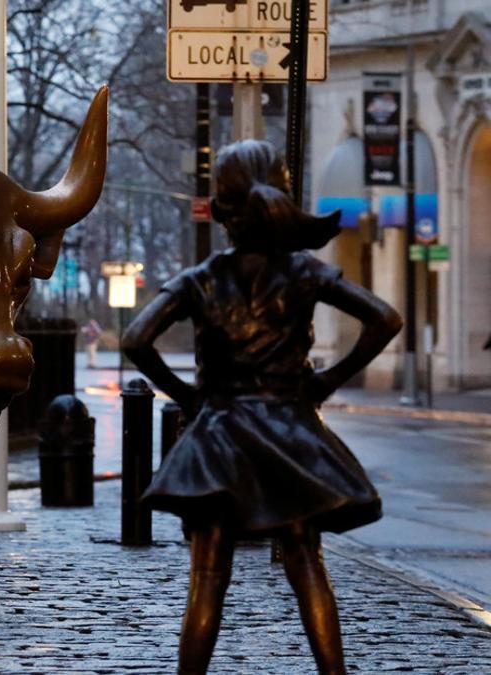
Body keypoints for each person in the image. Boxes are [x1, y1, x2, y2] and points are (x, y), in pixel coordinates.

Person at [122, 140, 403, 675]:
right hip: (289, 432)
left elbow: (137, 339)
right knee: (306, 562)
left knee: (207, 577)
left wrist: (187, 396)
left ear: (220, 208)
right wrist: (329, 380)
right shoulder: (303, 272)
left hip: (219, 437)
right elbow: (385, 318)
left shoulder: (202, 277)